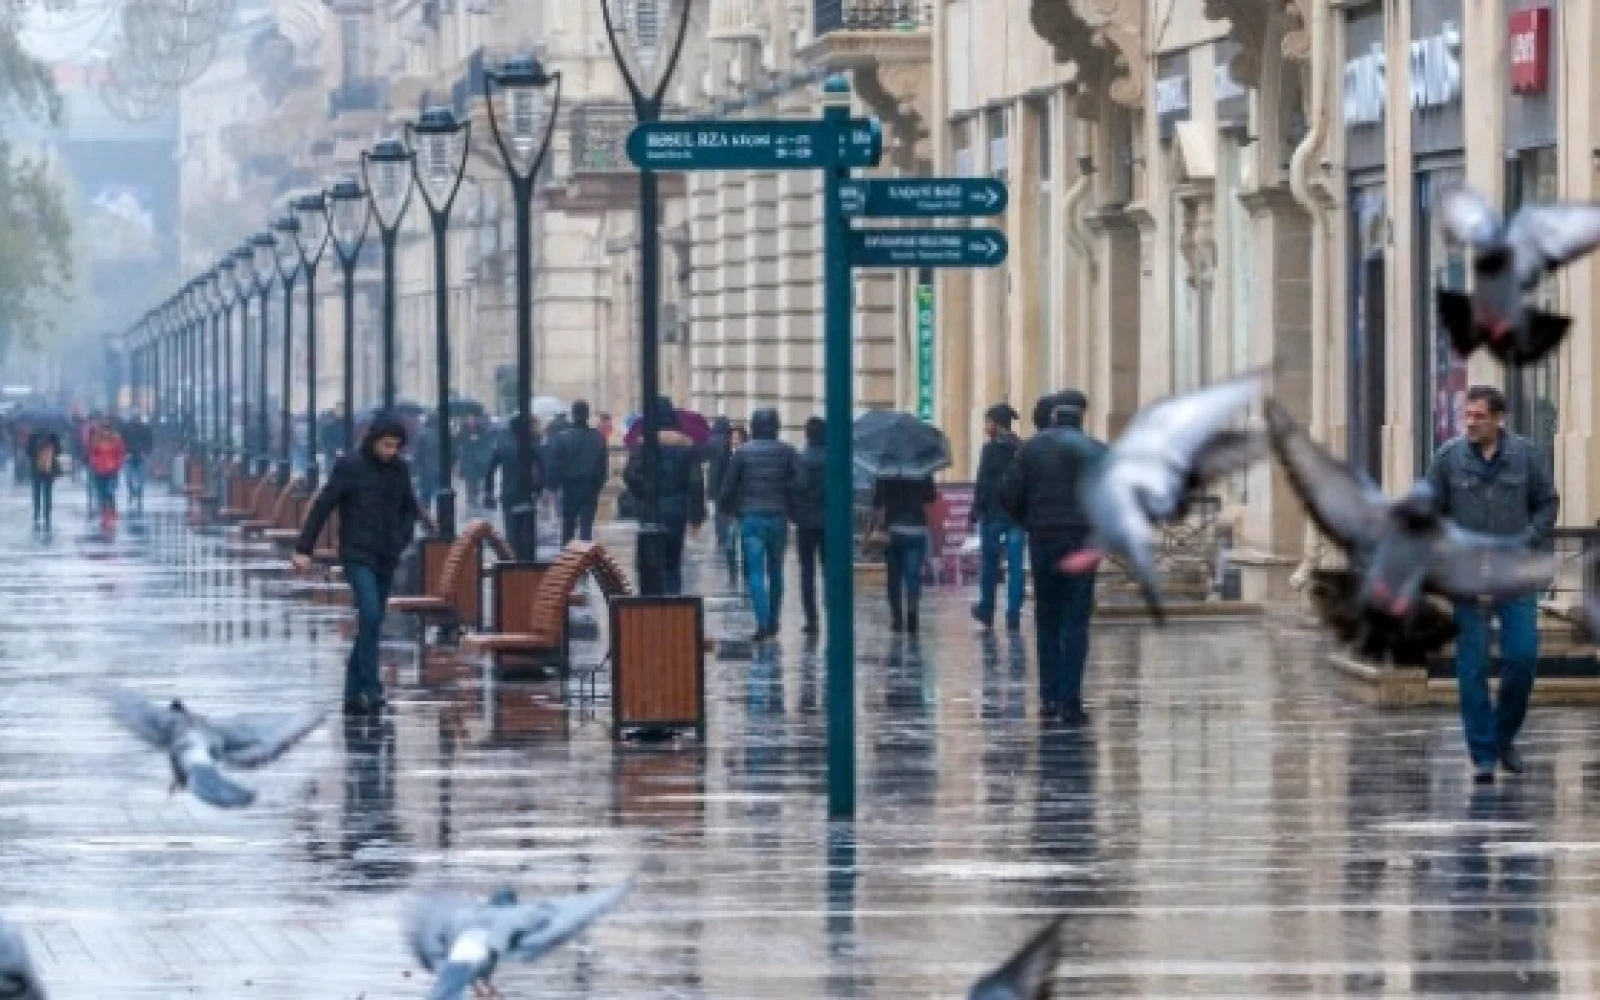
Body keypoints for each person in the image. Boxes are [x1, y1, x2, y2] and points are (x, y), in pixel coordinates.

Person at [1425, 384, 1558, 783]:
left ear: (1499, 418)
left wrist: (1527, 540)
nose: (1471, 423)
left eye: (1479, 416)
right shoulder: (1448, 459)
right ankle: (1483, 755)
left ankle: (1502, 737)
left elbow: (1547, 503)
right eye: (1468, 415)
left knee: (1522, 657)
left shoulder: (1526, 456)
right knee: (1472, 667)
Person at [293, 415, 423, 715]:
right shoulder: (351, 466)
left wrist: (402, 538)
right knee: (370, 612)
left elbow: (409, 508)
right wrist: (304, 549)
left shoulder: (400, 470)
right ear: (374, 441)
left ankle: (353, 693)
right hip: (357, 553)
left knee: (371, 621)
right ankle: (371, 687)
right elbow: (324, 504)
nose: (392, 451)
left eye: (397, 447)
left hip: (387, 554)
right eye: (387, 445)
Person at [999, 390, 1108, 724]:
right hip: (1082, 541)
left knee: (1047, 618)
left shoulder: (1030, 450)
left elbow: (1008, 493)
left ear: (1054, 416)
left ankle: (1048, 697)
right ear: (1081, 416)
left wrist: (1030, 521)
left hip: (1043, 539)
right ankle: (1070, 700)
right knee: (1076, 620)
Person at [719, 407, 801, 641]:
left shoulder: (743, 454)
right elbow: (801, 482)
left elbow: (728, 487)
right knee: (776, 570)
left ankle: (763, 621)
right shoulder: (787, 452)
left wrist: (729, 510)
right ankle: (774, 619)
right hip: (778, 517)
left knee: (755, 572)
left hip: (751, 517)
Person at [623, 397, 706, 595]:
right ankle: (673, 601)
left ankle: (652, 604)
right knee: (673, 562)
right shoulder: (686, 445)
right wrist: (696, 516)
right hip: (677, 510)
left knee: (650, 561)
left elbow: (630, 474)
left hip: (650, 510)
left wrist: (643, 494)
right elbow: (696, 483)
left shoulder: (643, 444)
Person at [971, 403, 1026, 631]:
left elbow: (983, 482)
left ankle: (987, 609)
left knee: (990, 566)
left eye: (987, 422)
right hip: (1017, 516)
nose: (985, 427)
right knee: (1015, 567)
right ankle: (1013, 614)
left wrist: (975, 510)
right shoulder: (1021, 448)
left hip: (994, 514)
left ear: (995, 423)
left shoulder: (990, 449)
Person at [872, 473, 936, 635]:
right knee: (912, 575)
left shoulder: (887, 467)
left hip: (893, 529)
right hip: (916, 529)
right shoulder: (922, 467)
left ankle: (897, 618)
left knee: (894, 576)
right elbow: (930, 497)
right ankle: (912, 611)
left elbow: (878, 500)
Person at [546, 400, 609, 543]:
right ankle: (584, 559)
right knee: (586, 528)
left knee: (568, 527)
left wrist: (552, 485)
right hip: (590, 486)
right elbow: (603, 466)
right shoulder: (597, 437)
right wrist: (598, 485)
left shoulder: (562, 437)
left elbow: (554, 464)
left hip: (569, 487)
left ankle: (567, 558)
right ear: (587, 415)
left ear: (573, 415)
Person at [794, 416, 828, 635]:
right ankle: (831, 611)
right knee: (829, 570)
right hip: (828, 522)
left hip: (805, 523)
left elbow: (795, 490)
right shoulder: (833, 459)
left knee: (807, 571)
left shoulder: (801, 459)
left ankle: (811, 619)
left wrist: (795, 515)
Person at [87, 421, 126, 520]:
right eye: (104, 430)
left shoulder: (116, 440)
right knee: (101, 492)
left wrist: (117, 465)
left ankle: (112, 511)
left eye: (107, 430)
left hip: (112, 470)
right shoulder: (96, 439)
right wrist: (94, 463)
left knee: (110, 491)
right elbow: (92, 453)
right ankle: (104, 512)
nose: (105, 432)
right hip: (99, 470)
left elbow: (120, 454)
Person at [25, 424, 60, 532]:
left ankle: (37, 514)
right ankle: (46, 515)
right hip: (48, 469)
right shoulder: (53, 436)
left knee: (37, 493)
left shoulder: (33, 436)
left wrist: (37, 452)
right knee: (47, 493)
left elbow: (28, 452)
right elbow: (59, 451)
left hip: (36, 469)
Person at [458, 414, 493, 508]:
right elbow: (460, 442)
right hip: (467, 459)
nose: (471, 423)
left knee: (476, 480)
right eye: (469, 421)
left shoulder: (482, 430)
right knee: (469, 480)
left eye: (473, 420)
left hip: (478, 460)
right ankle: (470, 498)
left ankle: (475, 496)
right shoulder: (463, 431)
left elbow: (486, 443)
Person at [123, 415, 152, 510]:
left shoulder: (127, 428)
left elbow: (149, 441)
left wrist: (146, 451)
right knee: (136, 476)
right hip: (134, 454)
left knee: (132, 475)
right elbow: (149, 441)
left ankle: (136, 491)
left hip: (134, 454)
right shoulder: (143, 428)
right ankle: (136, 491)